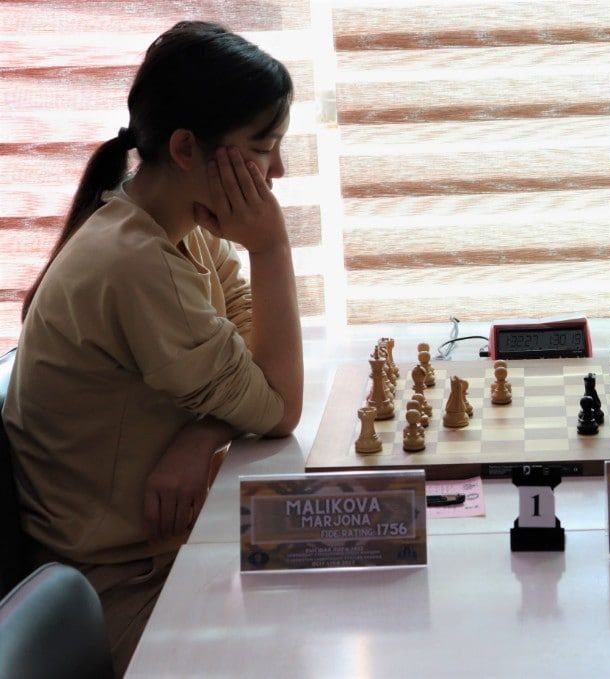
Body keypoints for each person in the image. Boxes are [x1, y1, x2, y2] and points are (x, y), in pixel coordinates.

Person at [1, 21, 303, 675]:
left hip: (170, 555)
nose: (276, 171)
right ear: (188, 148)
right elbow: (281, 404)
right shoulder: (135, 262)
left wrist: (204, 430)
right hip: (126, 590)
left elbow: (257, 362)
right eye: (262, 146)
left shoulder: (177, 228)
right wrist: (272, 247)